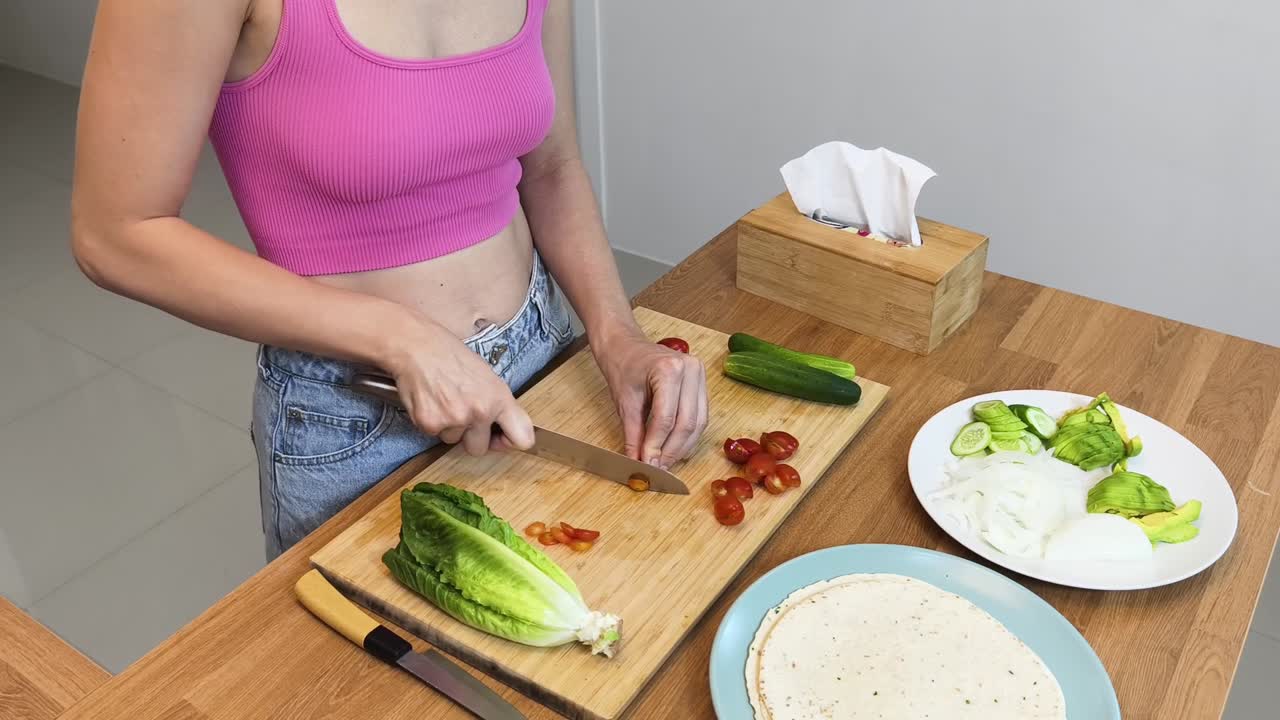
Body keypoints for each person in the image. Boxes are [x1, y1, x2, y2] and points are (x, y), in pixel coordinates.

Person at [70, 0, 708, 559]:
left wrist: (617, 335)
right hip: (358, 406)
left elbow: (552, 167)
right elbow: (115, 236)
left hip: (542, 356)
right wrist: (401, 338)